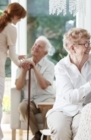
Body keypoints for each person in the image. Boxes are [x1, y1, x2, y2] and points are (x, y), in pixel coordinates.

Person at [46, 28, 91, 140]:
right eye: (85, 44)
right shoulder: (61, 67)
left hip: (85, 109)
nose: (89, 47)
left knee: (80, 128)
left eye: (89, 43)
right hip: (62, 109)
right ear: (72, 48)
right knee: (60, 129)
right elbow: (70, 97)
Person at [15, 36, 55, 140]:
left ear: (45, 53)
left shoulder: (50, 66)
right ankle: (37, 134)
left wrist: (34, 66)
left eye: (40, 46)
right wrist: (24, 70)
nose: (35, 47)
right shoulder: (23, 64)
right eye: (35, 45)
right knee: (22, 107)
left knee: (48, 109)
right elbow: (18, 86)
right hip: (30, 100)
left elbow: (43, 85)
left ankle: (47, 137)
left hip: (46, 98)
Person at [0, 2, 26, 139]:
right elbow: (12, 53)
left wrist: (16, 57)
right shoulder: (11, 28)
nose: (20, 20)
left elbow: (7, 51)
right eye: (20, 17)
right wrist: (23, 64)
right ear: (15, 15)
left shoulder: (1, 24)